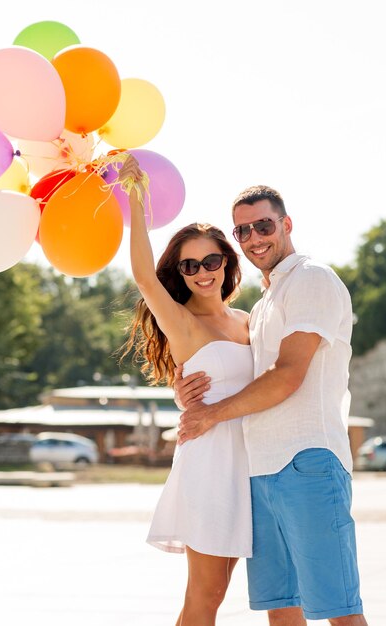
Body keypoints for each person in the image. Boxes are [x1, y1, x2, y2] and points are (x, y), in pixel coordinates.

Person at [176, 185, 368, 626]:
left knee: (340, 610)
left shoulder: (312, 279)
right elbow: (228, 368)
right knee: (281, 609)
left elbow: (288, 374)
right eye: (242, 231)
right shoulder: (263, 304)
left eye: (263, 225)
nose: (254, 237)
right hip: (259, 472)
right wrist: (186, 390)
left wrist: (210, 415)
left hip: (308, 462)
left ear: (286, 224)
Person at [117, 155, 255, 626]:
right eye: (190, 264)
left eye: (211, 260)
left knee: (227, 592)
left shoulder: (250, 321)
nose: (202, 271)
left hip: (256, 466)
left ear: (227, 261)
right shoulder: (182, 322)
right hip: (210, 466)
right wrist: (135, 196)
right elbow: (141, 275)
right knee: (207, 594)